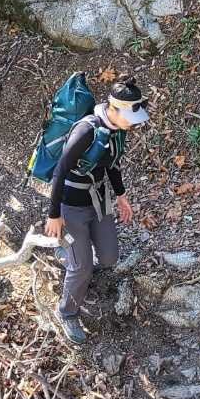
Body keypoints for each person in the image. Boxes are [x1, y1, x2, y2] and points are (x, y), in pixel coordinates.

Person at [44, 79, 149, 345]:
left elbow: (111, 164)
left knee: (110, 257)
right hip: (70, 206)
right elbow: (60, 171)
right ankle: (67, 312)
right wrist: (54, 215)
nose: (134, 124)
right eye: (130, 117)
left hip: (98, 201)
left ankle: (72, 255)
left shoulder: (116, 130)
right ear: (113, 109)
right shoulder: (86, 130)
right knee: (82, 268)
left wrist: (121, 196)